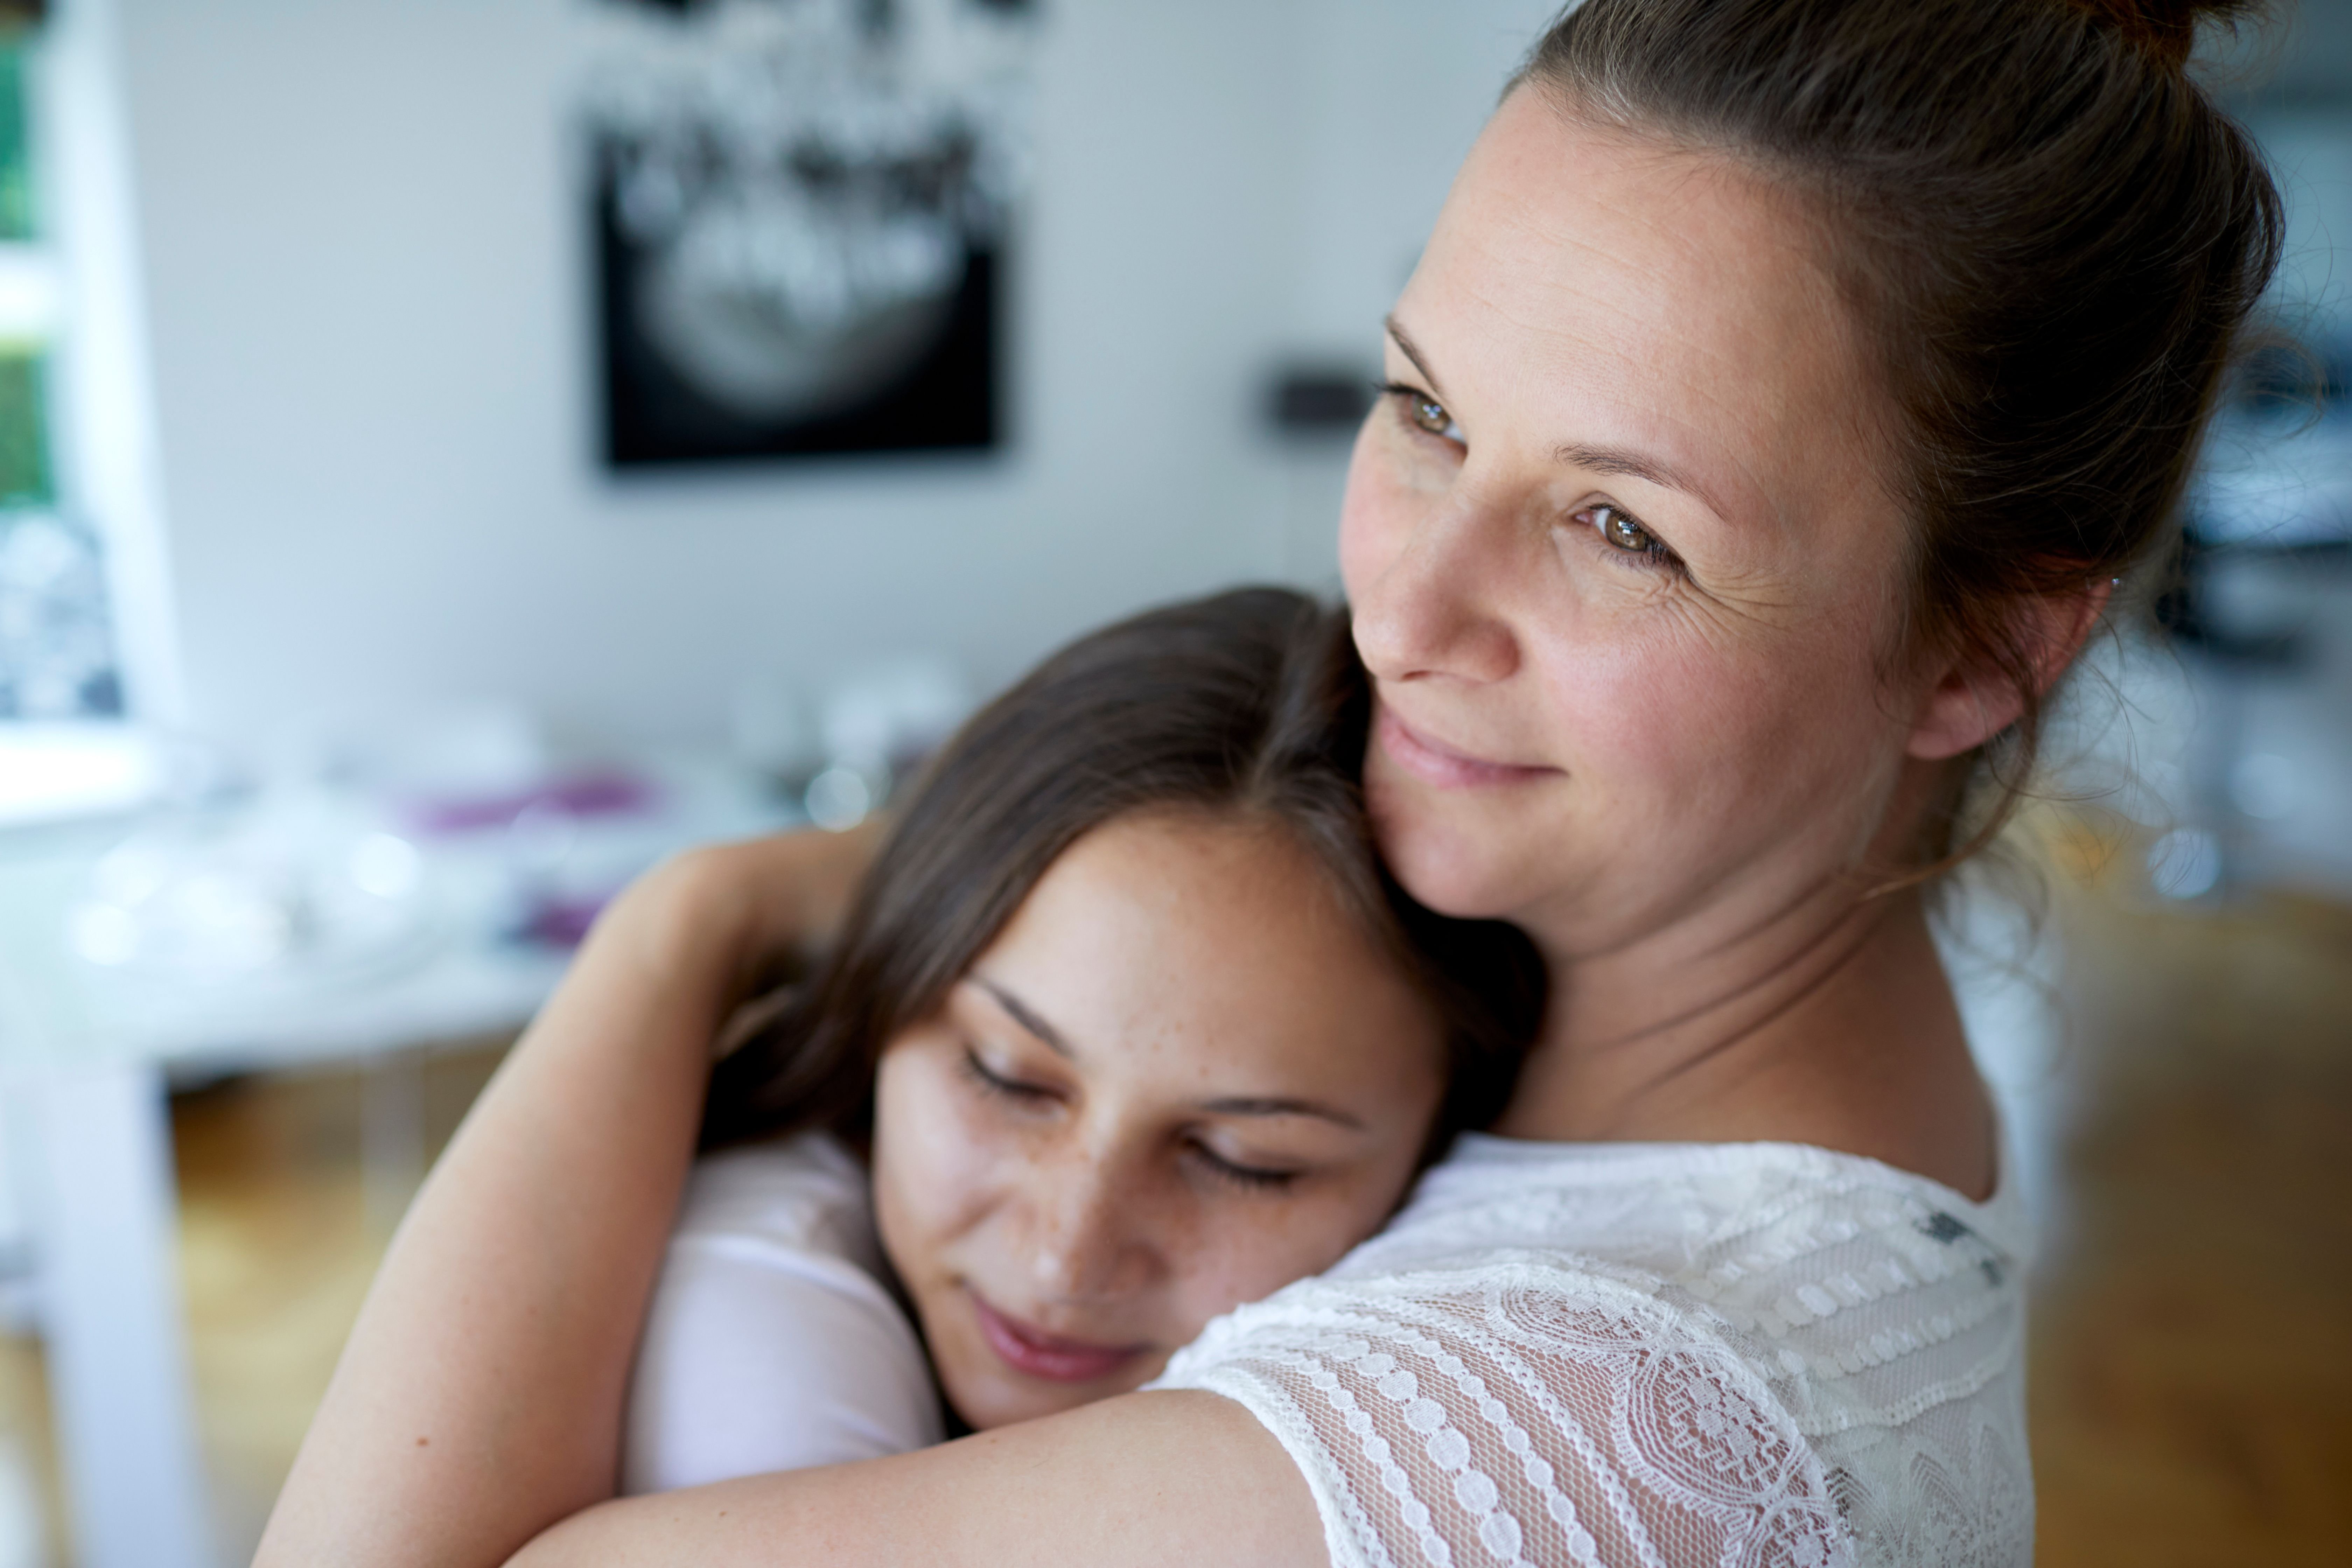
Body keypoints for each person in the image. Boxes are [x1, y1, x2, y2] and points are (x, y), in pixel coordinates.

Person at [255, 1, 2284, 1564]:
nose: (1408, 611)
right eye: (1425, 410)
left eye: (1621, 531)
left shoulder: (1572, 1431)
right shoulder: (1662, 1071)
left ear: (1985, 650)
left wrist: (680, 925)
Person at [619, 588, 1541, 1491]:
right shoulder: (764, 1340)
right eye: (1007, 1078)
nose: (1066, 1259)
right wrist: (694, 914)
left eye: (1243, 1160)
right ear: (885, 996)